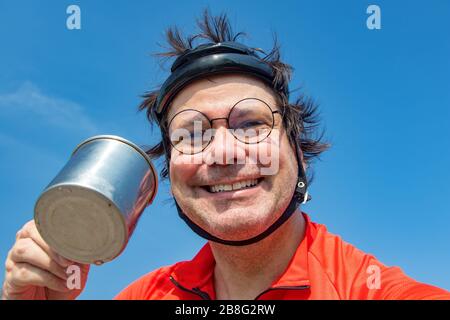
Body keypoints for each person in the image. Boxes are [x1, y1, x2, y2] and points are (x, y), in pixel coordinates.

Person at [2, 10, 450, 300]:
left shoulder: (377, 292)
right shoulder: (146, 294)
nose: (222, 152)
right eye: (191, 134)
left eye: (252, 124)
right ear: (172, 175)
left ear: (300, 154)